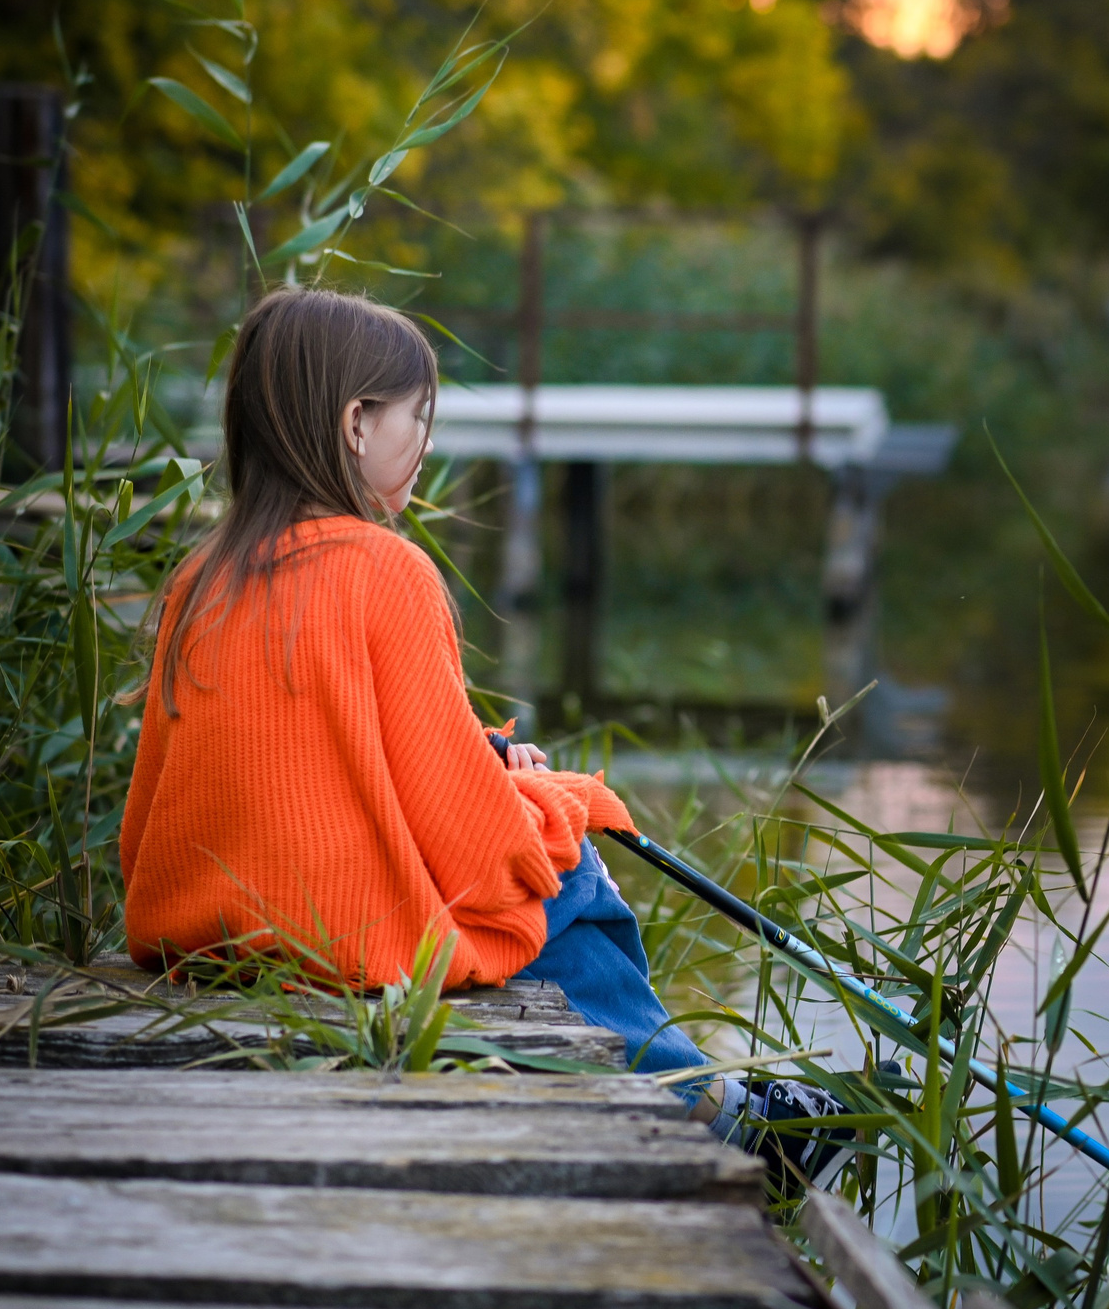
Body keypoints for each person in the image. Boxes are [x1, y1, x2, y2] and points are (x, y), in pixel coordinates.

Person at [118, 285, 729, 1122]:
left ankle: (702, 1098)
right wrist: (561, 804)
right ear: (357, 422)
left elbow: (169, 799)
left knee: (545, 850)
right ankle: (696, 1101)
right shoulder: (389, 571)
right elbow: (476, 849)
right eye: (420, 418)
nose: (427, 443)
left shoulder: (200, 578)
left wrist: (481, 758)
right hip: (340, 937)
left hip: (201, 931)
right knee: (568, 870)